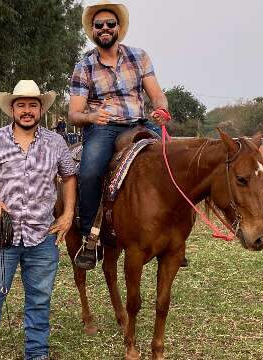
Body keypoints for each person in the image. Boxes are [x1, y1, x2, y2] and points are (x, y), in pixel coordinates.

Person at [0, 80, 77, 360]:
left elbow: (70, 175)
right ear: (12, 109)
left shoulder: (56, 142)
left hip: (42, 238)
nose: (27, 111)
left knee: (39, 301)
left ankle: (36, 354)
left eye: (33, 105)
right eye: (22, 105)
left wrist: (68, 213)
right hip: (1, 237)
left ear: (41, 109)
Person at [68, 1, 172, 269]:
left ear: (118, 28)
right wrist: (92, 117)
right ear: (92, 30)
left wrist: (161, 108)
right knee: (90, 172)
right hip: (103, 127)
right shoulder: (84, 66)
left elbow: (156, 93)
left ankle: (173, 234)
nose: (104, 28)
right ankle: (90, 238)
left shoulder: (139, 56)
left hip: (138, 123)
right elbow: (74, 113)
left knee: (172, 164)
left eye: (109, 24)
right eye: (99, 25)